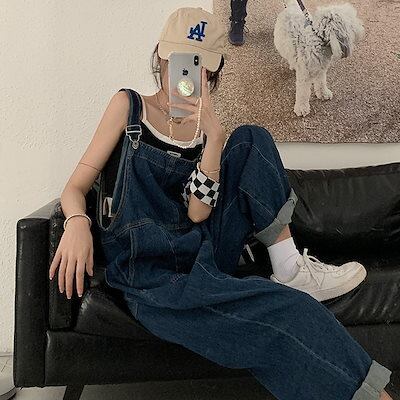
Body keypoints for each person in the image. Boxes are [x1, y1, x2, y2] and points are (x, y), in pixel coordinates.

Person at [49, 6, 394, 400]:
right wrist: (77, 222)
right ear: (161, 56)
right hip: (150, 274)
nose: (186, 74)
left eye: (199, 65)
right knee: (293, 312)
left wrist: (214, 139)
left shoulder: (202, 131)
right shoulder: (128, 107)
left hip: (200, 250)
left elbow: (197, 212)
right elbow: (75, 187)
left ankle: (289, 267)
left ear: (211, 71)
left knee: (249, 138)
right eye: (179, 60)